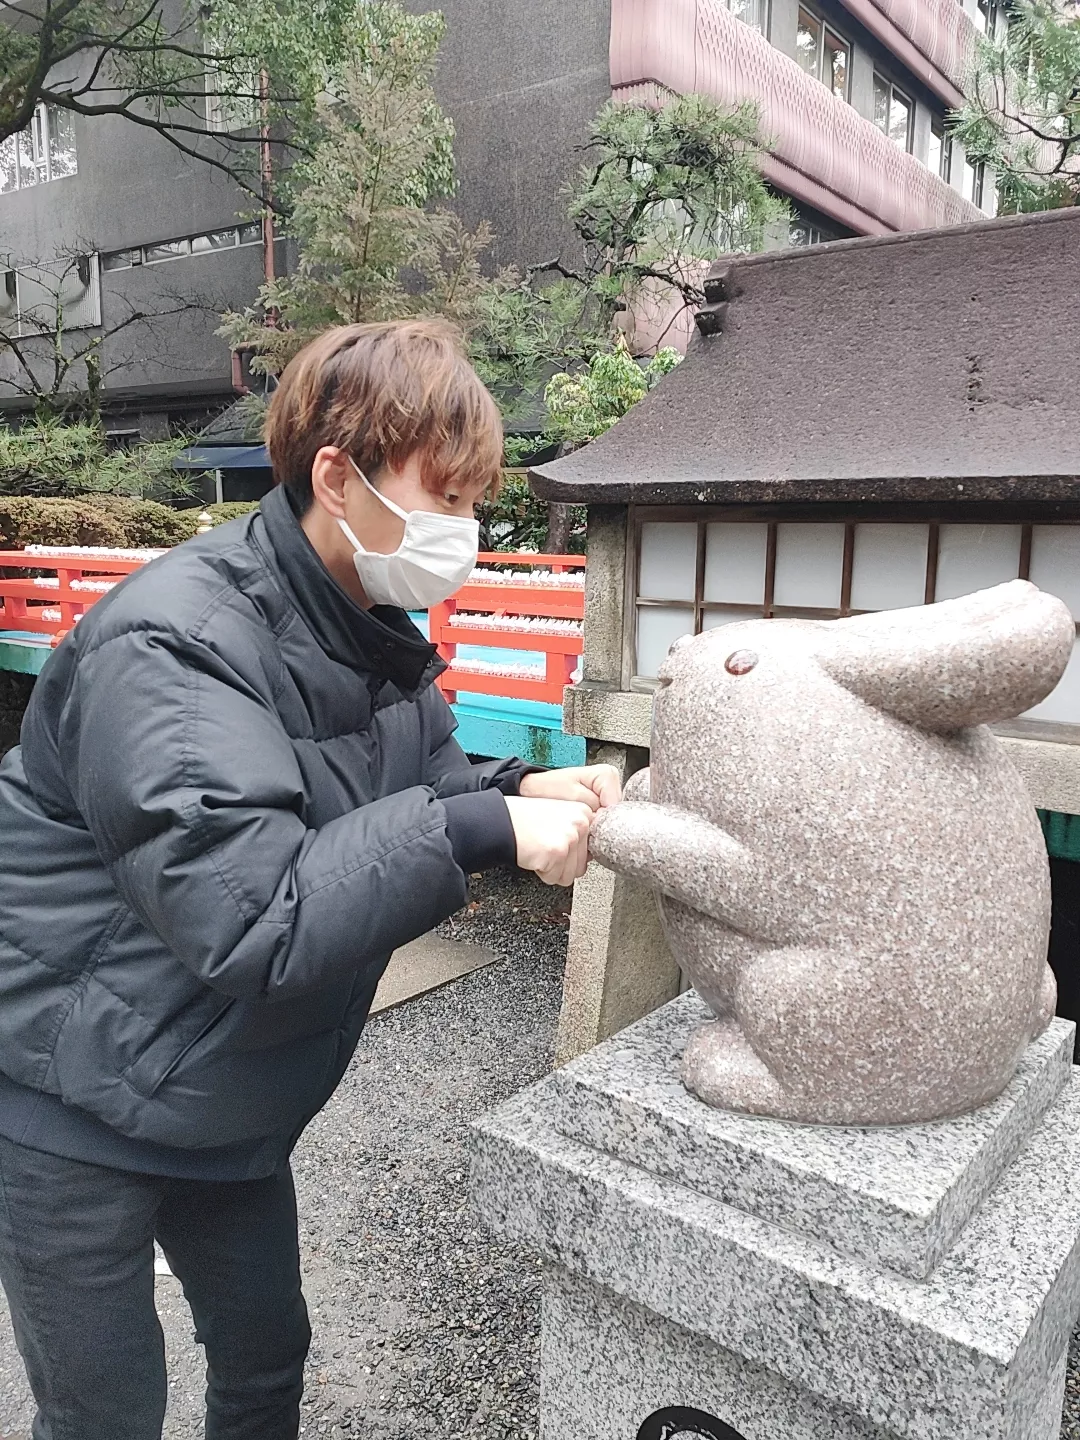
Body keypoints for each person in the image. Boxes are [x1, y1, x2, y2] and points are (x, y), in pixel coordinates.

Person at [0, 318, 620, 1440]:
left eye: (476, 503)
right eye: (447, 498)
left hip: (222, 1091)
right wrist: (482, 827)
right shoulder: (176, 648)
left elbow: (427, 782)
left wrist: (531, 788)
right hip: (68, 1092)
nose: (465, 534)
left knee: (266, 1357)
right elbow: (253, 918)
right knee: (104, 1413)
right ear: (338, 476)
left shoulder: (368, 627)